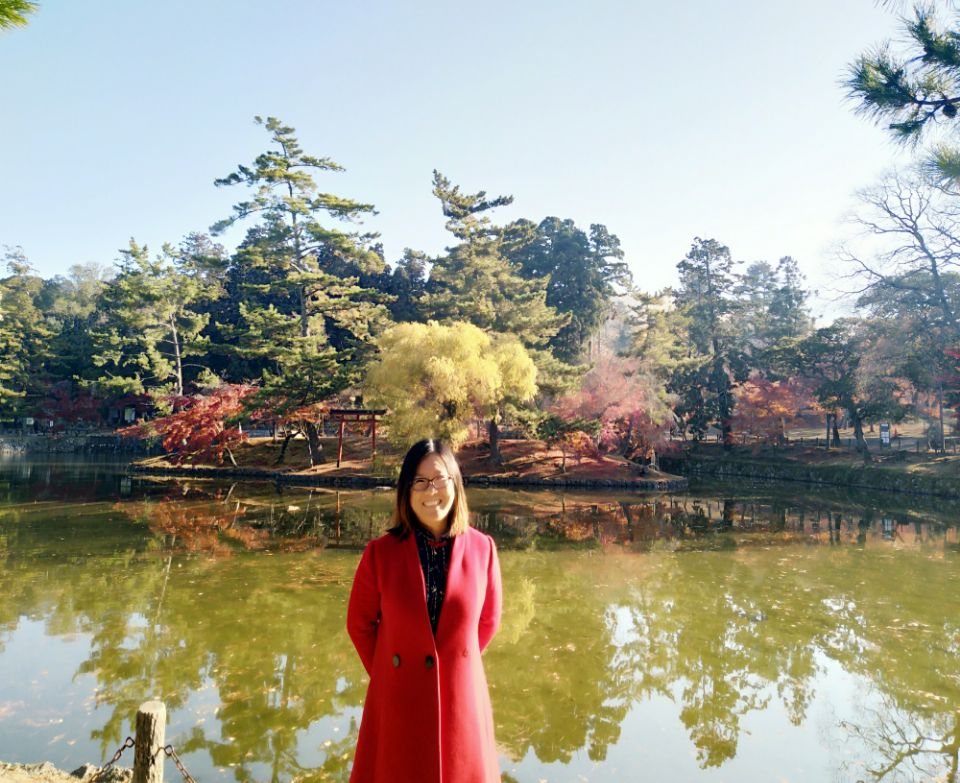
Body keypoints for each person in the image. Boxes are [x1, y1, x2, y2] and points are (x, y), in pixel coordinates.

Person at [346, 439, 503, 783]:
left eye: (440, 479)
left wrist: (455, 663)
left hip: (461, 701)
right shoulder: (380, 554)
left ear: (455, 483)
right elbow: (359, 624)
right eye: (420, 481)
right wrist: (393, 673)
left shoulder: (483, 549)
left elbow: (488, 620)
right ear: (406, 490)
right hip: (398, 700)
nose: (431, 490)